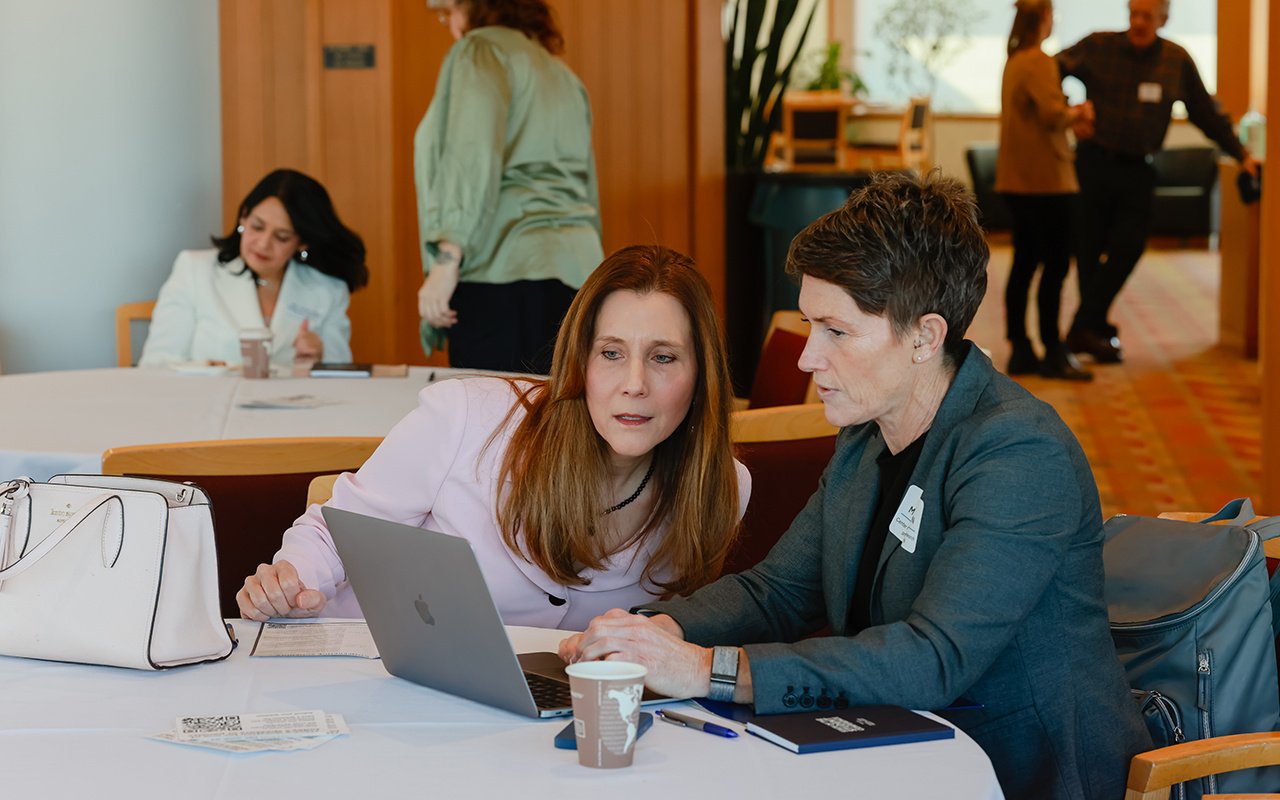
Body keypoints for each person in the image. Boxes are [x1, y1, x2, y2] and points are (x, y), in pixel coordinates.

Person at [561, 173, 1151, 800]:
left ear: (925, 337)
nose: (806, 357)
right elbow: (778, 592)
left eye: (836, 332)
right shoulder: (869, 434)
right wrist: (653, 631)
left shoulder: (1018, 453)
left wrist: (709, 670)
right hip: (898, 755)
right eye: (811, 325)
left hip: (1021, 774)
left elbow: (933, 658)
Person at [237, 245, 751, 630]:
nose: (634, 384)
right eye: (611, 353)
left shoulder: (721, 489)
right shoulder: (466, 416)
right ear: (581, 364)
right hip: (381, 681)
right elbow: (336, 533)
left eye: (663, 357)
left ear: (700, 374)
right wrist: (291, 579)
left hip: (546, 733)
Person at [1058, 0, 1259, 363]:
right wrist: (1067, 111)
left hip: (1138, 169)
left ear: (1163, 19)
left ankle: (1084, 326)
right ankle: (1093, 329)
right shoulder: (1098, 46)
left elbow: (1206, 112)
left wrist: (1241, 153)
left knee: (1130, 245)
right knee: (1087, 250)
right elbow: (1049, 71)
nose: (1138, 22)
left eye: (1147, 16)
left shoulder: (1175, 60)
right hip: (1093, 163)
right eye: (1134, 14)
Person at [415, 0, 603, 374]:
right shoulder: (561, 74)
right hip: (576, 270)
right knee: (554, 418)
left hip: (501, 267)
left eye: (449, 10)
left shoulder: (479, 50)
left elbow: (472, 154)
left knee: (492, 420)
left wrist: (448, 257)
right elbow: (586, 184)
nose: (447, 22)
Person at [139, 169, 367, 367]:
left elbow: (341, 377)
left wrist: (320, 356)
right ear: (243, 218)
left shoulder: (328, 290)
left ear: (302, 243)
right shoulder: (195, 270)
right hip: (205, 409)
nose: (263, 244)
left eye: (282, 236)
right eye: (257, 227)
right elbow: (157, 365)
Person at [996, 0, 1093, 381]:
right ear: (1045, 19)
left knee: (1024, 264)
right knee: (1054, 266)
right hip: (1045, 182)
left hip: (1018, 179)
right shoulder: (1038, 60)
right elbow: (1054, 115)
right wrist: (1081, 113)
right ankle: (1054, 349)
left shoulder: (1014, 59)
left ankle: (1021, 347)